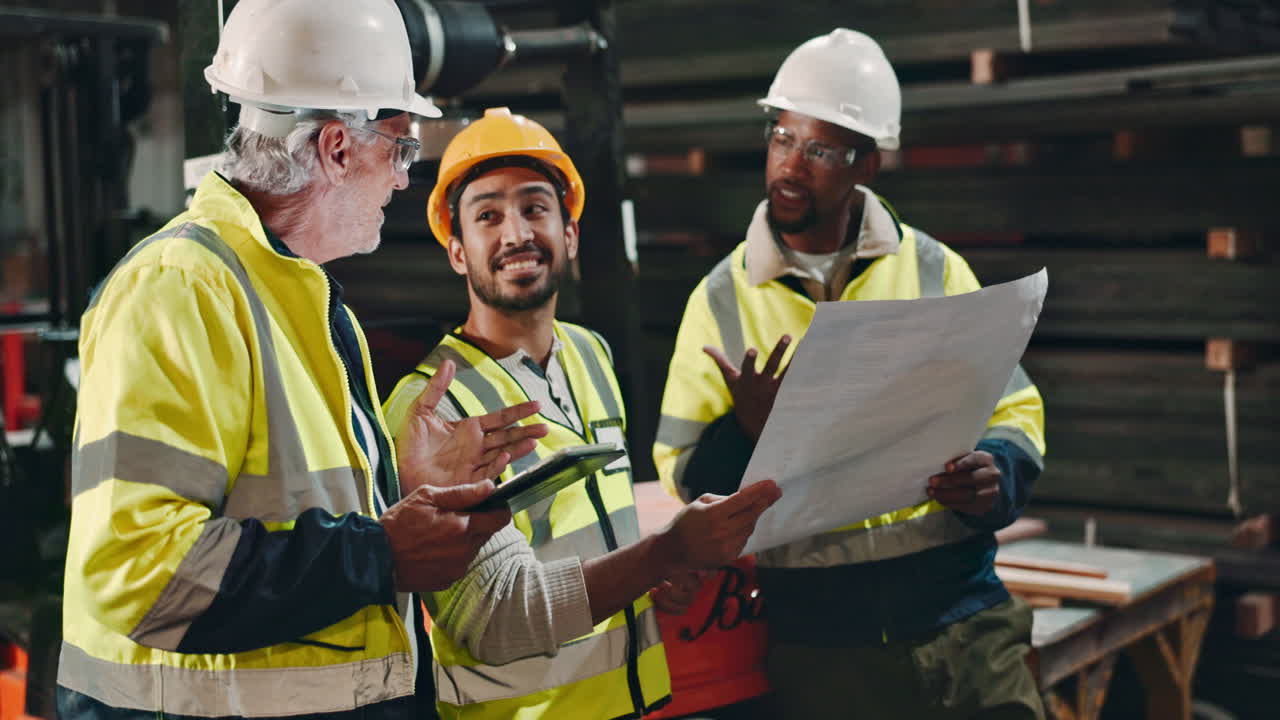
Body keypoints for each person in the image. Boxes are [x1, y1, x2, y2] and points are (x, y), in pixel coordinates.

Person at [56, 3, 549, 719]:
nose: (405, 180)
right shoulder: (182, 289)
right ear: (337, 149)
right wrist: (380, 553)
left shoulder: (298, 296)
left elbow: (279, 512)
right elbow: (141, 570)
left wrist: (398, 490)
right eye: (401, 149)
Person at [654, 29, 1048, 720]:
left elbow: (1014, 410)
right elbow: (684, 474)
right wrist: (747, 434)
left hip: (970, 627)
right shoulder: (719, 301)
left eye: (820, 150)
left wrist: (995, 472)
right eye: (781, 137)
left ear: (867, 162)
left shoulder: (935, 271)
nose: (790, 165)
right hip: (828, 654)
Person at [381, 107, 781, 720]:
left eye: (535, 208)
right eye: (487, 215)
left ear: (569, 234)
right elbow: (493, 622)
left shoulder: (590, 354)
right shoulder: (428, 410)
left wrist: (651, 577)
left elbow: (593, 540)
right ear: (457, 252)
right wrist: (663, 553)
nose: (516, 233)